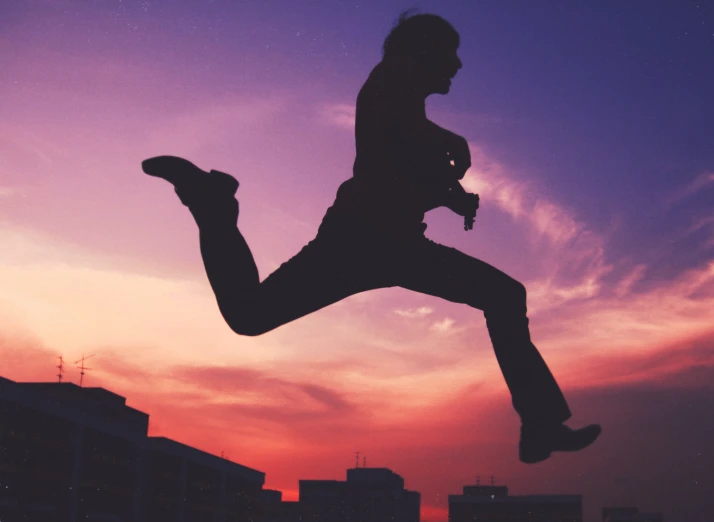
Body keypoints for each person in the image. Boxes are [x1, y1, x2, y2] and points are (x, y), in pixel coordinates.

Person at [141, 11, 600, 464]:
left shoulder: (406, 102)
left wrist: (449, 196)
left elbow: (401, 166)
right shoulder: (389, 82)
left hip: (397, 246)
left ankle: (540, 426)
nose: (458, 65)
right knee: (249, 315)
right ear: (421, 54)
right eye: (450, 54)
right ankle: (214, 209)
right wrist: (446, 154)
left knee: (504, 296)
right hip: (359, 243)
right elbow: (392, 151)